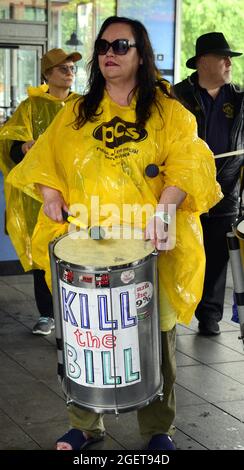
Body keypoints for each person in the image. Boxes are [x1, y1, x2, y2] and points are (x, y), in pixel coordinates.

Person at [7, 16, 221, 451]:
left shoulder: (167, 111)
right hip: (90, 243)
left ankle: (157, 429)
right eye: (103, 45)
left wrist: (166, 207)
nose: (109, 53)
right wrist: (49, 193)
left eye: (121, 45)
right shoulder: (77, 111)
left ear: (141, 54)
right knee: (85, 337)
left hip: (148, 245)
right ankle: (84, 424)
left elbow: (187, 161)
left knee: (153, 339)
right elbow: (47, 158)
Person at [0, 47, 81, 335]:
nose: (69, 72)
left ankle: (77, 312)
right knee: (42, 252)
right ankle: (47, 314)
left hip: (78, 193)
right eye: (63, 68)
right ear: (47, 74)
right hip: (40, 195)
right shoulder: (30, 107)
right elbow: (9, 143)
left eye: (72, 67)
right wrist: (23, 147)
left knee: (77, 251)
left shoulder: (84, 105)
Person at [174, 33, 244, 336]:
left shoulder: (240, 97)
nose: (229, 63)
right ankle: (172, 315)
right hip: (183, 192)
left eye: (229, 58)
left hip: (225, 192)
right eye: (223, 57)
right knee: (179, 253)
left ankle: (210, 316)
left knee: (217, 258)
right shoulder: (176, 96)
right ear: (203, 62)